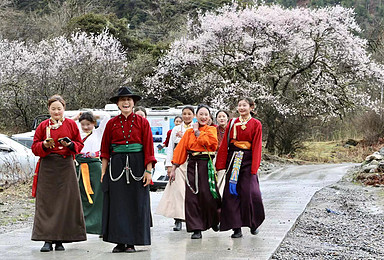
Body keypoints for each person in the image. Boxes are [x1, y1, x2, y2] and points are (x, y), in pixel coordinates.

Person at [100, 86, 156, 253]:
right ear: (118, 104)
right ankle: (119, 241)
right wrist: (103, 172)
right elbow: (104, 150)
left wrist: (148, 171)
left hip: (138, 165)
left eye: (129, 100)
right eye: (122, 100)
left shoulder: (143, 122)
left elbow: (148, 149)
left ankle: (131, 241)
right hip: (116, 166)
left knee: (135, 203)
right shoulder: (111, 124)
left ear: (134, 103)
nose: (126, 102)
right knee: (117, 204)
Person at [31, 95, 86, 252]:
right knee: (47, 203)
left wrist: (70, 144)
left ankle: (61, 239)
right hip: (48, 166)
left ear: (64, 109)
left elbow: (79, 144)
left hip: (66, 165)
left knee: (65, 202)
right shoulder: (42, 126)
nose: (56, 111)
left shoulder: (71, 124)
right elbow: (35, 147)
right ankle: (47, 239)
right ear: (49, 109)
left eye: (59, 109)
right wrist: (44, 145)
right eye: (53, 109)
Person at [215, 97, 265, 238]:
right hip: (234, 159)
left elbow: (257, 146)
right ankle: (236, 228)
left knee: (251, 192)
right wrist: (221, 164)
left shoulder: (256, 124)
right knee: (232, 193)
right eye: (239, 105)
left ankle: (253, 223)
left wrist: (254, 167)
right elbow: (225, 144)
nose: (242, 108)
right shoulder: (232, 123)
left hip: (248, 160)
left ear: (251, 107)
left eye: (245, 105)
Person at [169, 104, 220, 239]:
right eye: (201, 114)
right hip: (192, 165)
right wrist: (174, 168)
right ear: (196, 116)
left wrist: (198, 132)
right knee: (192, 197)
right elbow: (181, 150)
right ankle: (196, 228)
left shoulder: (211, 130)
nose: (203, 117)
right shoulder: (188, 133)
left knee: (208, 195)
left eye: (206, 115)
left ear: (209, 117)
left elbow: (210, 143)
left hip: (206, 165)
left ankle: (214, 219)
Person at [72, 111, 110, 235]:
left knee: (98, 195)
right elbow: (69, 123)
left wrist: (94, 115)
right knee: (81, 194)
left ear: (94, 123)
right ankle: (82, 224)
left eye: (89, 124)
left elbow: (107, 117)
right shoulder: (77, 133)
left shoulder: (98, 133)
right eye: (83, 124)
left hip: (95, 167)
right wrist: (77, 116)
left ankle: (99, 225)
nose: (86, 127)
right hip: (79, 166)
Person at [156, 107, 195, 231]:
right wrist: (169, 165)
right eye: (184, 114)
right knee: (178, 191)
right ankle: (178, 219)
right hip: (178, 162)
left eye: (189, 114)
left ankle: (191, 218)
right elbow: (170, 147)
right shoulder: (176, 129)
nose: (187, 116)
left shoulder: (196, 128)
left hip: (192, 162)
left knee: (191, 191)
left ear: (193, 115)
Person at [215, 110, 230, 197]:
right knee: (219, 177)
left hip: (230, 156)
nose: (221, 118)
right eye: (219, 117)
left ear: (227, 118)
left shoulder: (232, 129)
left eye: (223, 116)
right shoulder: (214, 130)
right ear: (216, 119)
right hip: (218, 157)